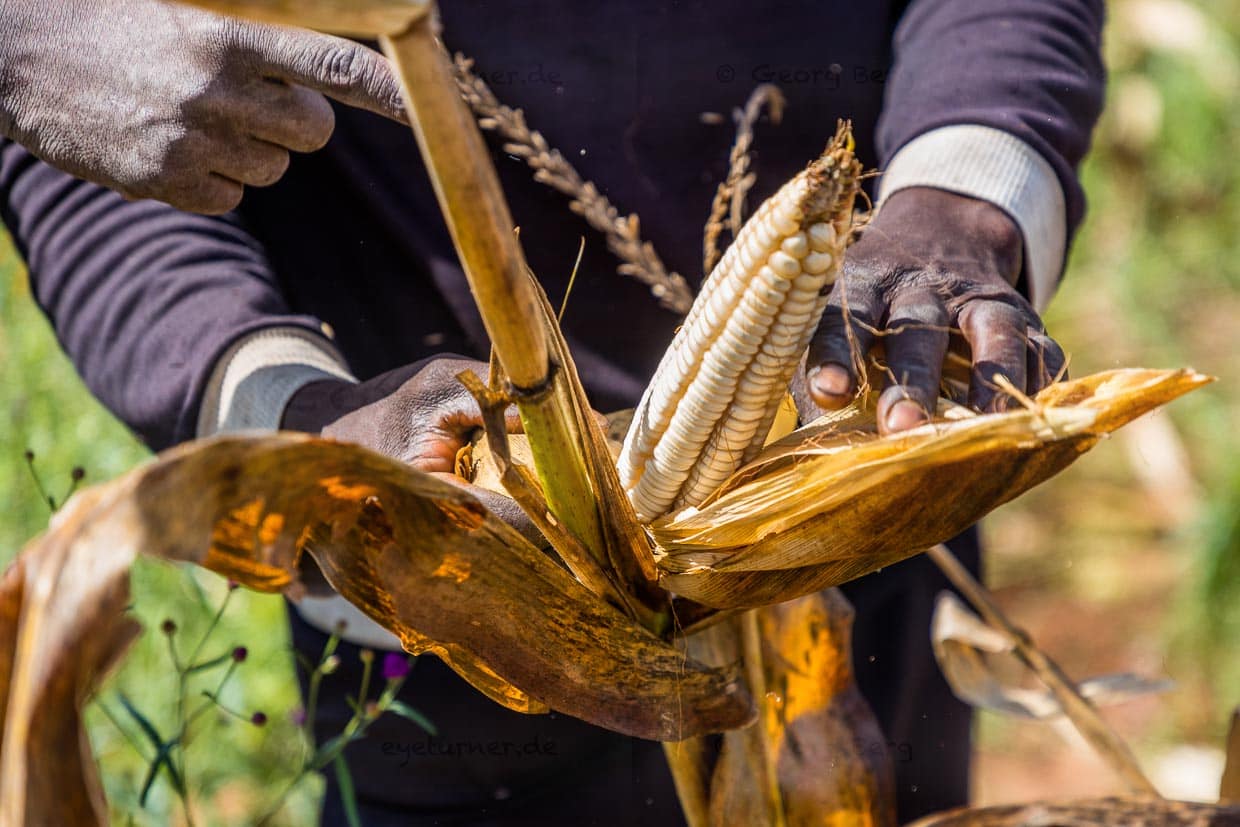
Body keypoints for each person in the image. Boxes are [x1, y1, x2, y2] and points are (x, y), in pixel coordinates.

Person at [0, 1, 1105, 823]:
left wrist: (966, 195)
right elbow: (91, 117)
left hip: (862, 480)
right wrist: (289, 411)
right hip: (429, 576)